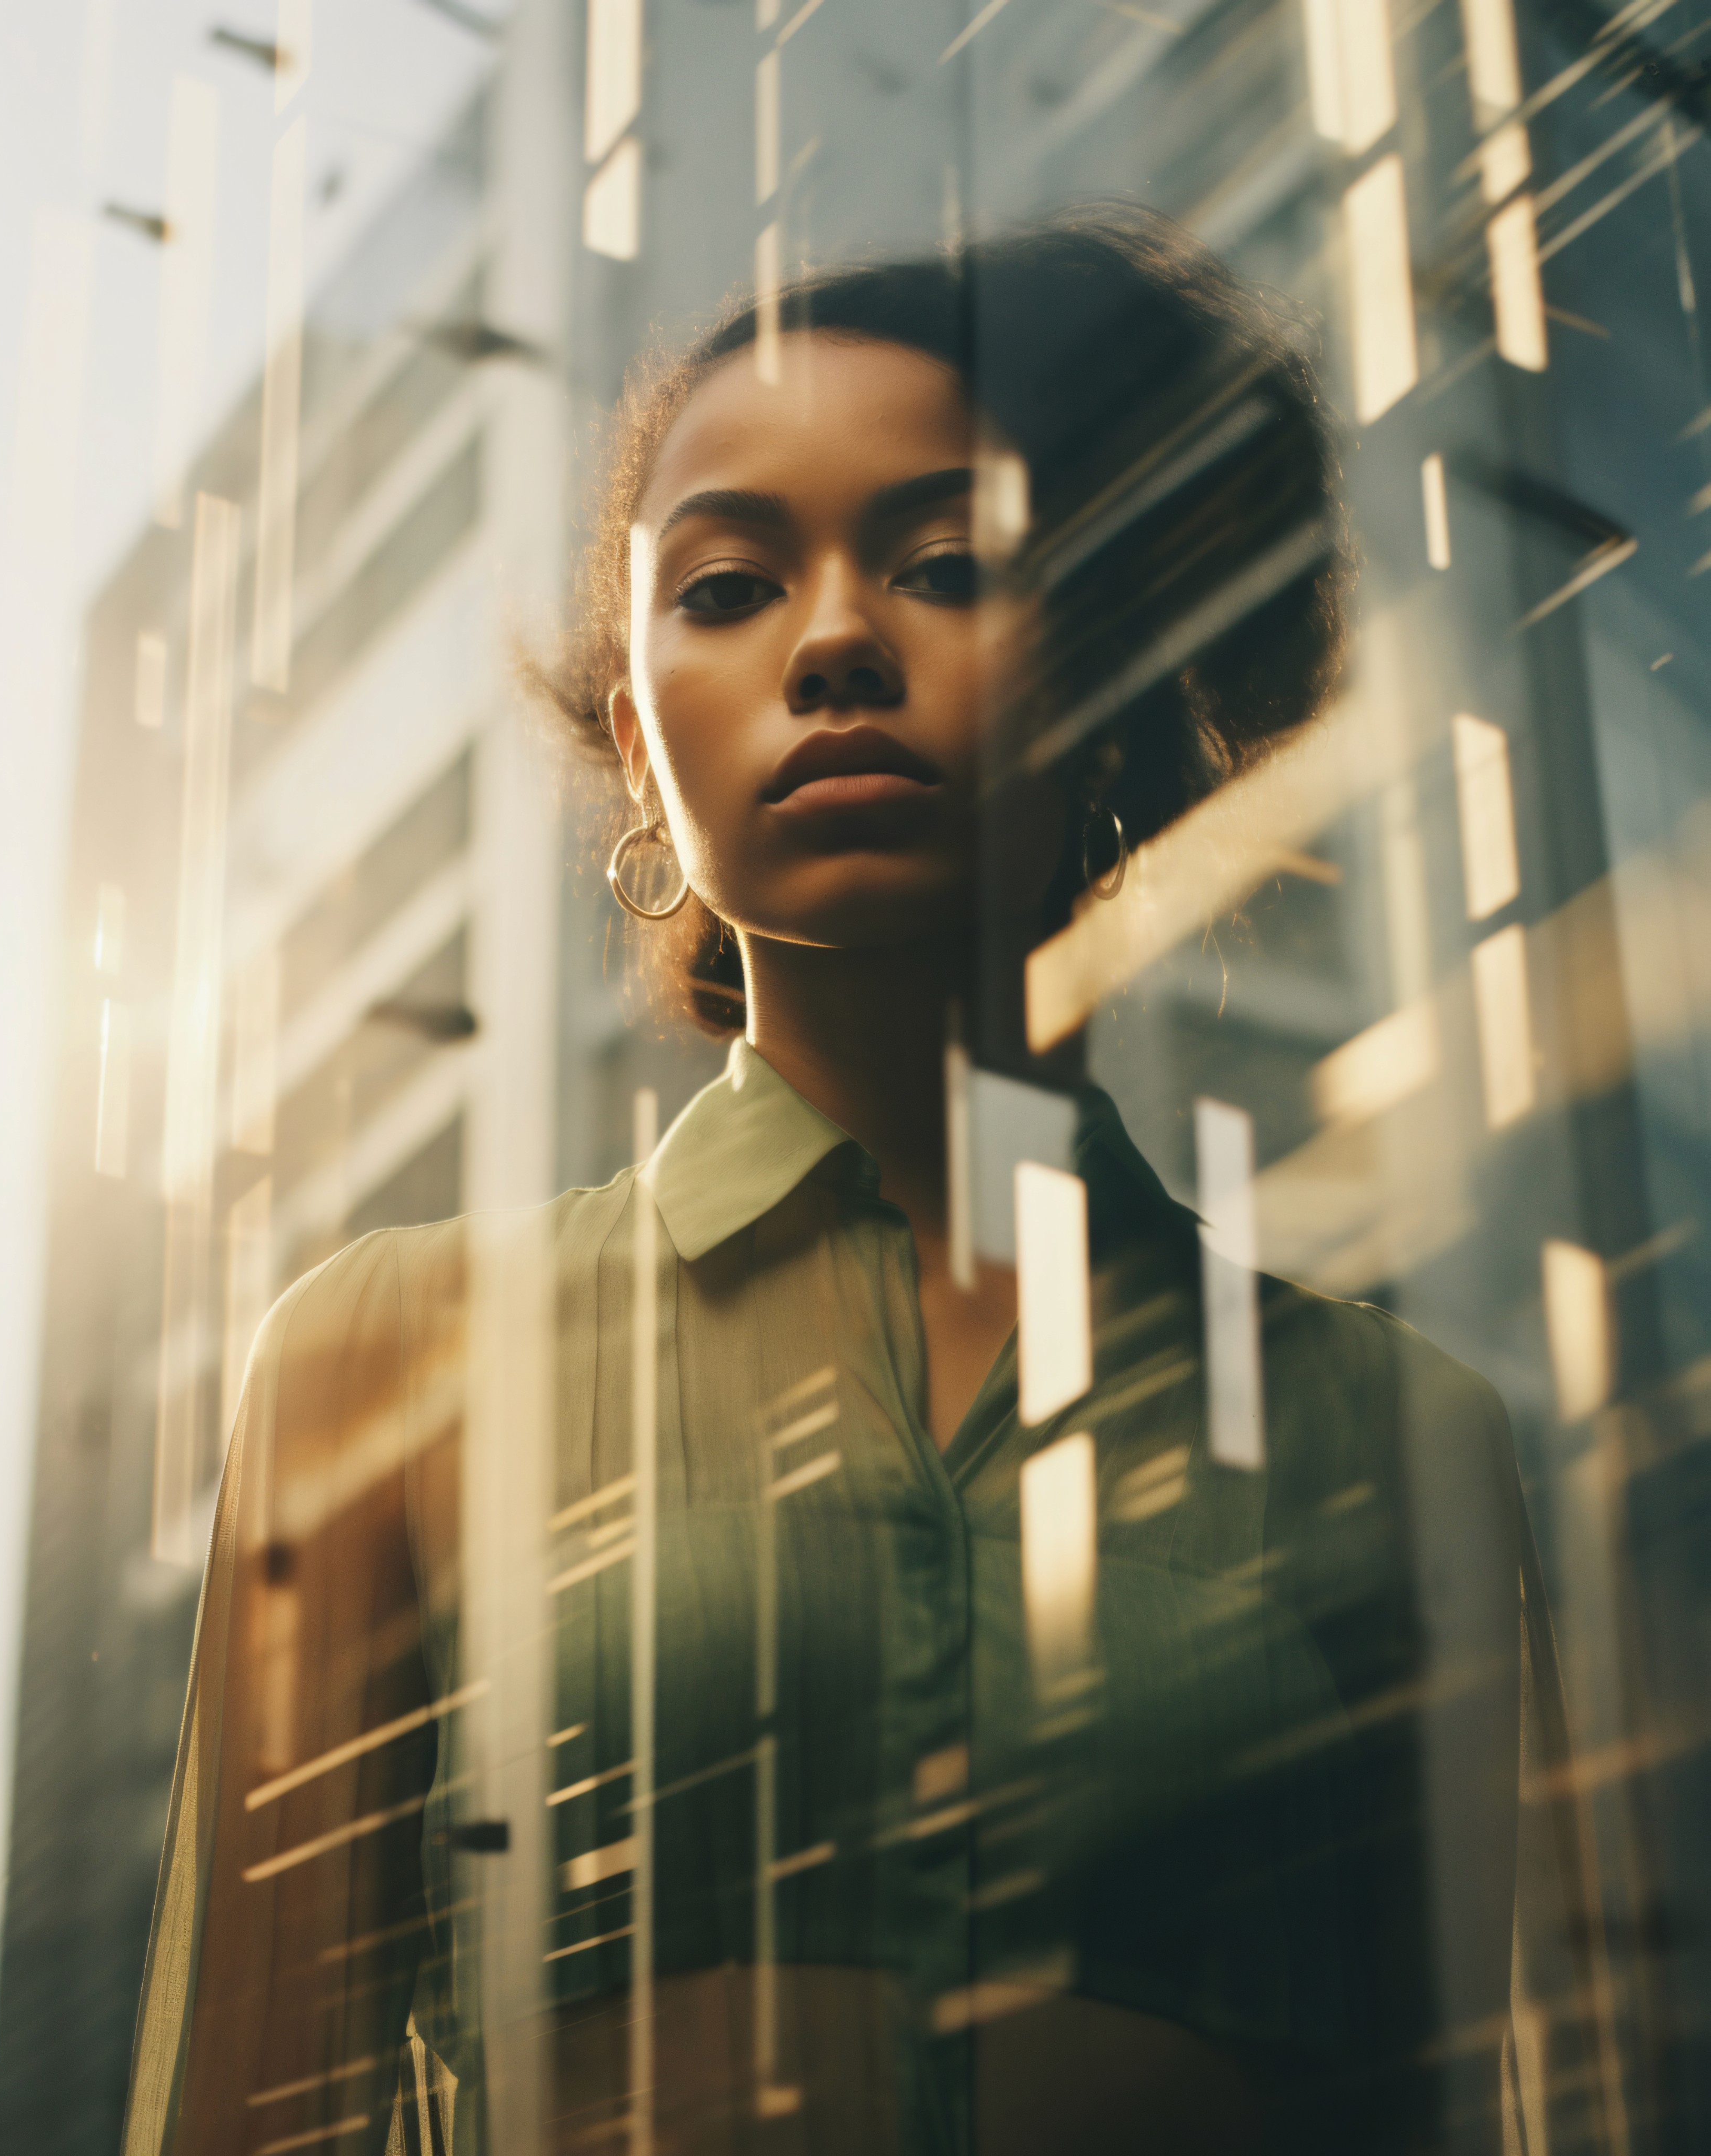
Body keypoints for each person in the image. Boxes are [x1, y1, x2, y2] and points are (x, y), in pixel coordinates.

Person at [124, 206, 1555, 2156]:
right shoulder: (389, 1355)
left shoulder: (1400, 1436)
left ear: (1114, 684)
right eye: (721, 588)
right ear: (640, 742)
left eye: (950, 563)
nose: (834, 642)